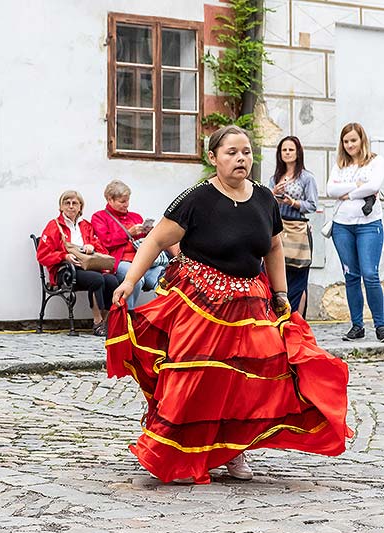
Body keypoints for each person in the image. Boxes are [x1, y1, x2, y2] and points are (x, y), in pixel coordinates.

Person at [106, 125, 351, 485]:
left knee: (248, 378)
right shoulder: (196, 199)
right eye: (232, 152)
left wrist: (280, 294)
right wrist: (129, 282)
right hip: (199, 299)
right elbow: (156, 240)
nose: (241, 159)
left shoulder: (265, 198)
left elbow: (274, 247)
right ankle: (181, 452)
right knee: (196, 375)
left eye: (247, 152)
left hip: (250, 302)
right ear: (213, 158)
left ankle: (234, 450)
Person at [326, 122, 384, 342]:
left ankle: (381, 325)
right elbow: (331, 189)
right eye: (346, 141)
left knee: (370, 275)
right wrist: (359, 187)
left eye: (353, 140)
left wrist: (348, 193)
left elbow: (374, 185)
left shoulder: (375, 161)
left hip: (369, 225)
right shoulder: (340, 165)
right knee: (351, 276)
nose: (350, 144)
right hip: (342, 226)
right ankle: (357, 326)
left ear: (362, 140)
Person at [36, 190, 119, 336]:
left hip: (88, 268)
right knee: (97, 279)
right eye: (66, 203)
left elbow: (102, 251)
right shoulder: (54, 226)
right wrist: (64, 256)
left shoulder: (86, 226)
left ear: (80, 207)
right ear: (61, 207)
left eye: (75, 203)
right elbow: (42, 255)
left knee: (112, 280)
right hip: (66, 272)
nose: (71, 206)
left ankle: (105, 321)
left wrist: (92, 247)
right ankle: (97, 321)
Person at [91, 180, 163, 308]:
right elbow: (105, 242)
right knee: (135, 280)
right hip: (119, 261)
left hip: (142, 260)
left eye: (127, 200)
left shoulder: (135, 217)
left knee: (164, 278)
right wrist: (128, 233)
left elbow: (141, 242)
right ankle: (126, 318)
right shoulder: (100, 217)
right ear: (109, 199)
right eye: (122, 201)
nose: (126, 204)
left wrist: (147, 233)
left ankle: (161, 318)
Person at [268, 136, 318, 315]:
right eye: (284, 150)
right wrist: (274, 193)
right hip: (279, 228)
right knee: (276, 273)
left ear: (298, 153)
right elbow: (267, 203)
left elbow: (312, 205)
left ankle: (297, 320)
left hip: (297, 230)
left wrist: (293, 203)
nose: (287, 153)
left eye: (291, 150)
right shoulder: (275, 178)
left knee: (298, 276)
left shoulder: (306, 178)